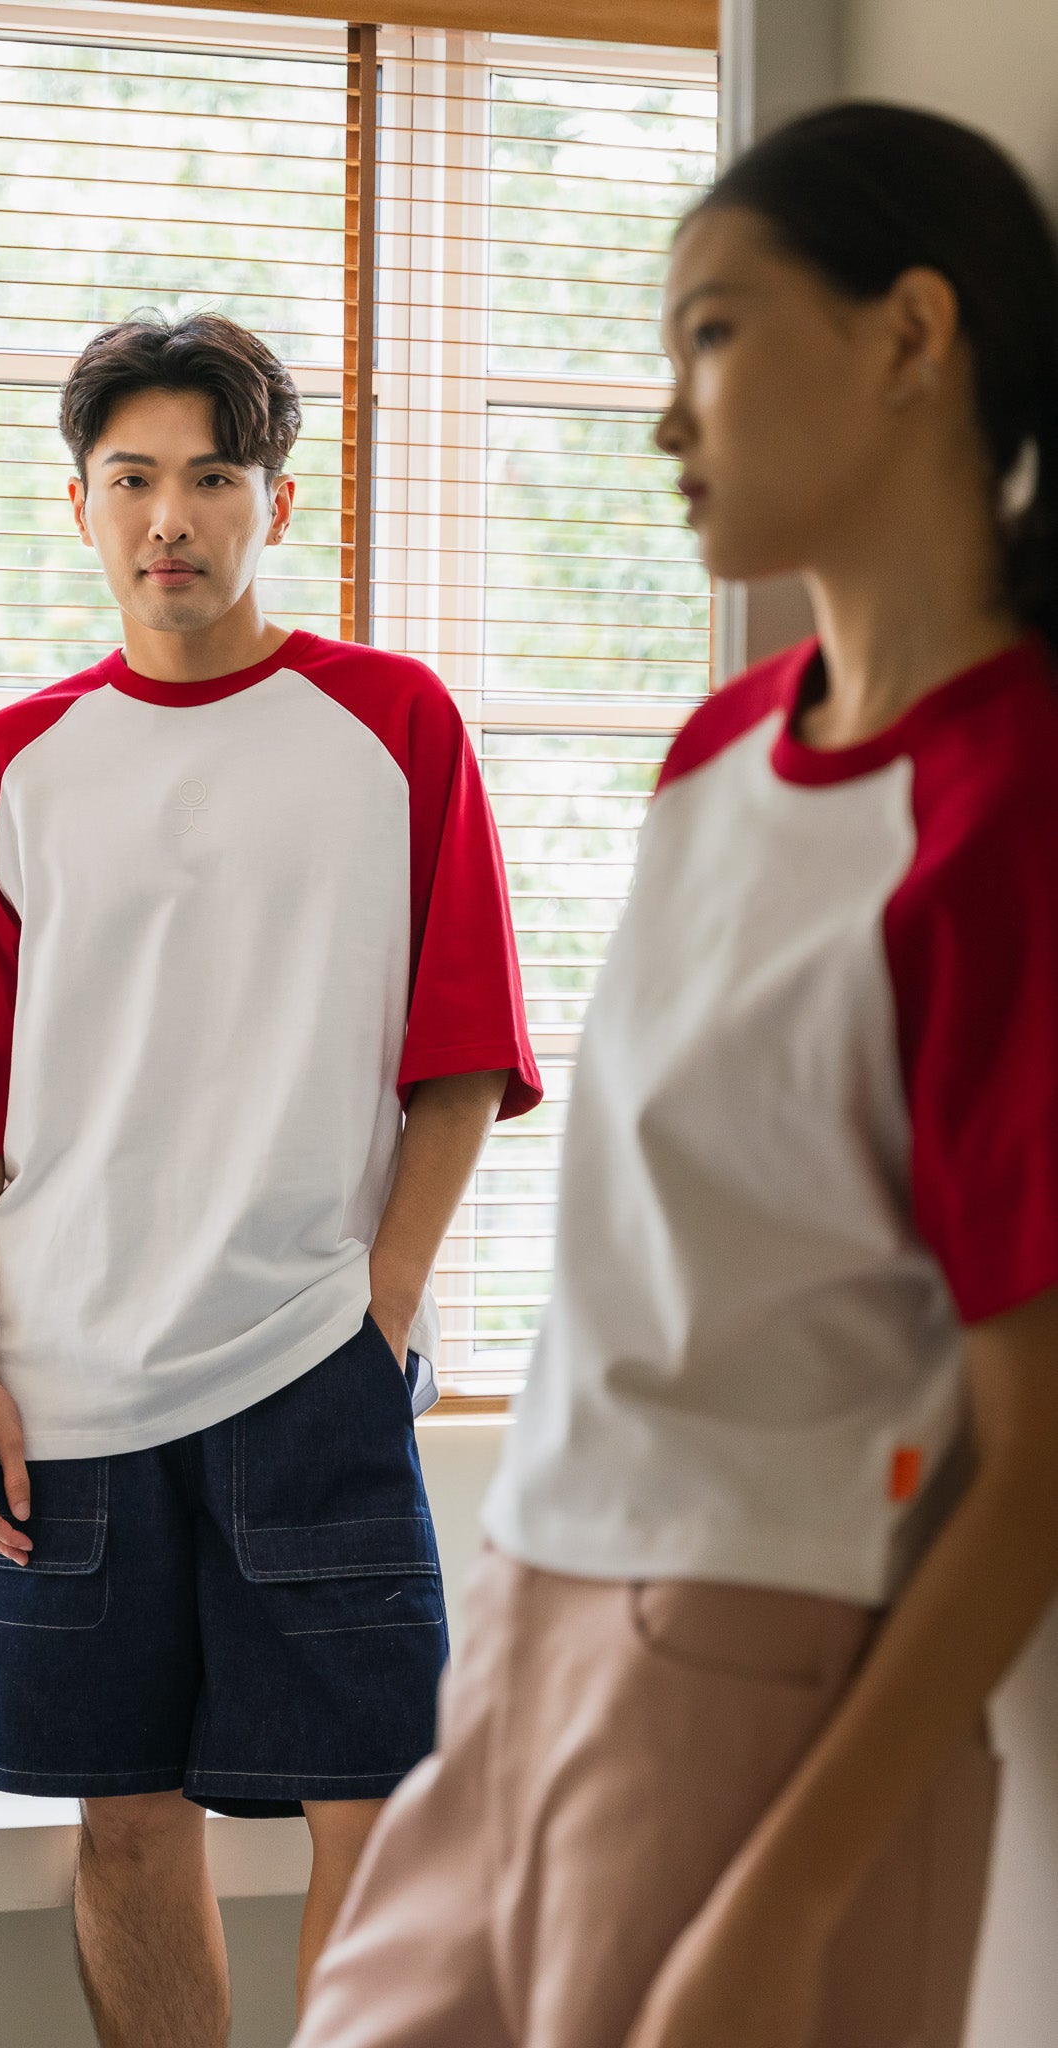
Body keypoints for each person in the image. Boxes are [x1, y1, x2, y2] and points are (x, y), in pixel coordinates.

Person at [295, 102, 1058, 2048]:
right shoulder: (722, 748)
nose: (665, 419)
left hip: (760, 1665)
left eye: (712, 333)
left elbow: (1035, 1457)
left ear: (909, 337)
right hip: (534, 1601)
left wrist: (779, 1910)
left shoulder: (1008, 812)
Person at [0, 311, 540, 2048]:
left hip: (313, 1357)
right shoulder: (15, 766)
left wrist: (376, 1310)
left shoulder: (395, 728)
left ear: (276, 505)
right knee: (126, 1814)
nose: (172, 517)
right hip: (66, 1380)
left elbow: (458, 1061)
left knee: (376, 1809)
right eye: (134, 479)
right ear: (79, 508)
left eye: (211, 478)